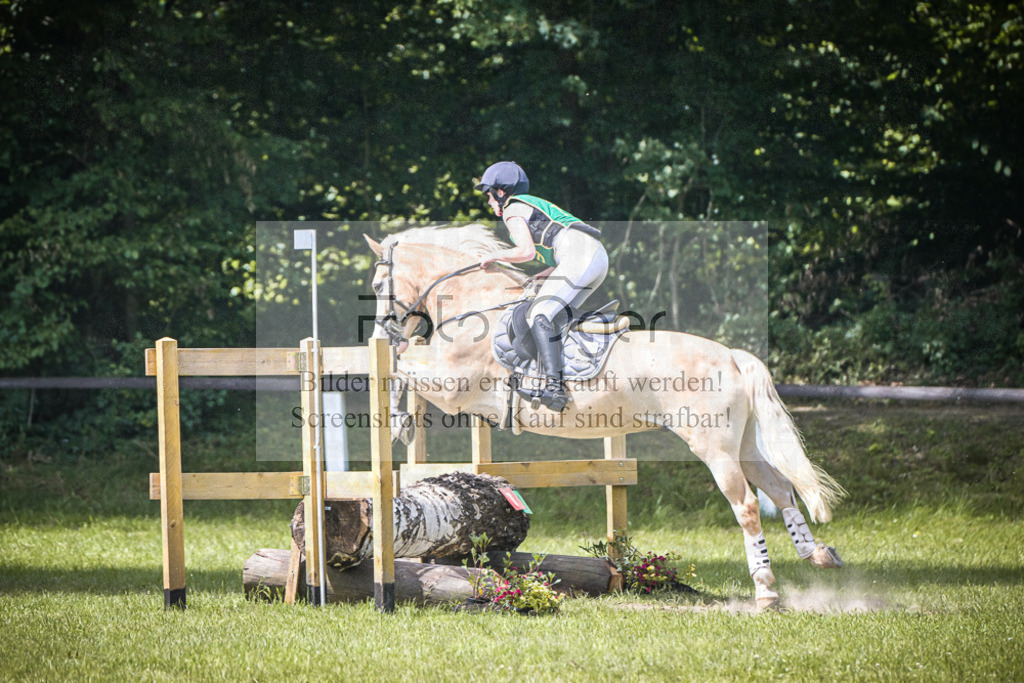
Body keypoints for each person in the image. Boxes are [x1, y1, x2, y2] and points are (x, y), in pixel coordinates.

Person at [475, 161, 608, 411]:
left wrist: (493, 256)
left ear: (501, 192)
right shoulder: (530, 204)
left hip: (581, 255)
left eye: (489, 195)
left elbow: (525, 251)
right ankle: (572, 376)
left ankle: (554, 390)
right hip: (594, 257)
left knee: (539, 313)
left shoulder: (513, 208)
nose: (489, 202)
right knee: (556, 317)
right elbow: (561, 248)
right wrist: (542, 275)